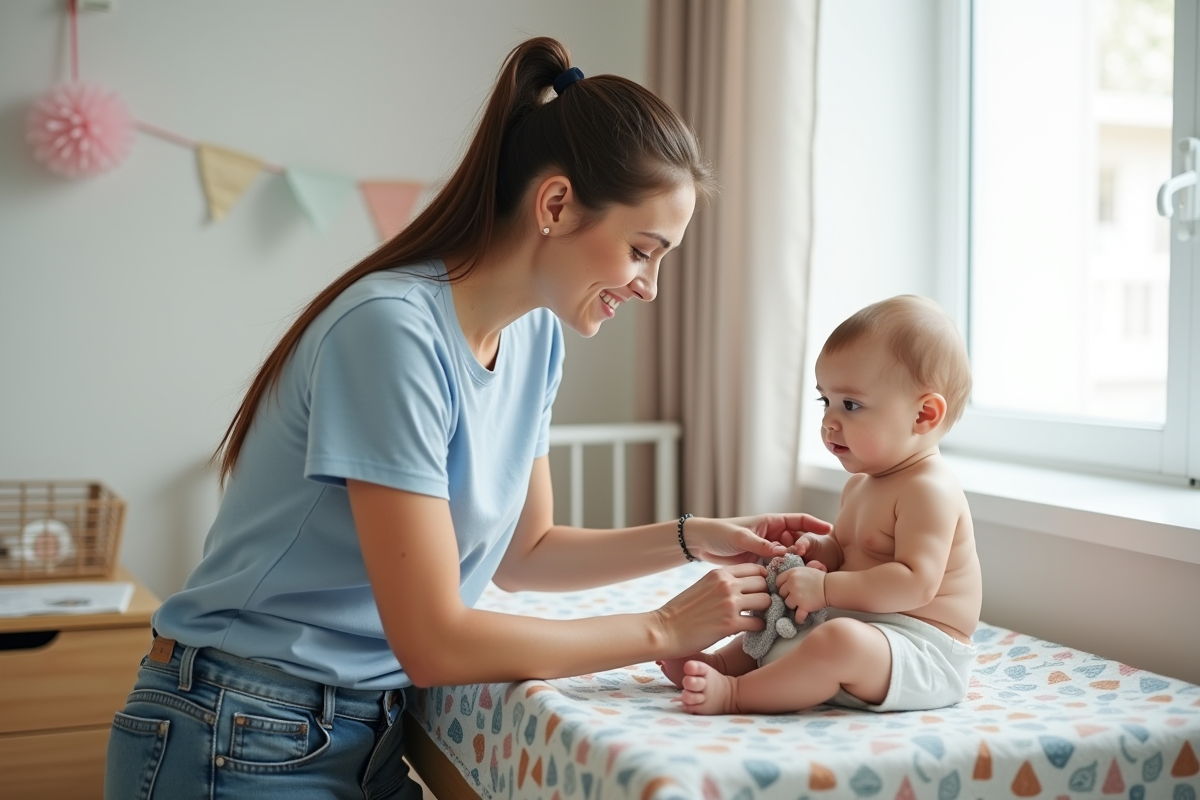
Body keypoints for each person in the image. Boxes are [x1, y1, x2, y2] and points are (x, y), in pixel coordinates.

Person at [104, 36, 832, 800]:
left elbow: (528, 553)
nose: (649, 286)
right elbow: (434, 641)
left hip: (358, 731)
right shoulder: (391, 332)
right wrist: (662, 630)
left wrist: (694, 538)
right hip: (238, 726)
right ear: (555, 205)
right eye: (643, 251)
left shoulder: (536, 336)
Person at [660, 294, 982, 716]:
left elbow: (915, 583)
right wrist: (821, 551)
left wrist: (826, 588)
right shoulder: (862, 484)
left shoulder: (929, 490)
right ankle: (722, 664)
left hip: (920, 649)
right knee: (780, 608)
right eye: (824, 401)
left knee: (837, 641)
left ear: (923, 415)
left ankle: (735, 695)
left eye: (850, 404)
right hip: (870, 630)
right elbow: (851, 552)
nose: (829, 420)